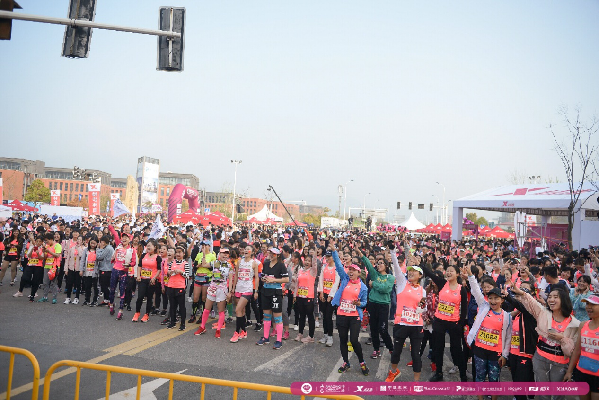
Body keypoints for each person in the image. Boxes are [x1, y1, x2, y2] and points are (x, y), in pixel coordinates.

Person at [510, 282, 580, 400]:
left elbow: (574, 350)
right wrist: (521, 292)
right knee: (542, 393)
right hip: (540, 359)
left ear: (564, 300)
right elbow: (532, 303)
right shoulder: (543, 313)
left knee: (558, 395)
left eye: (555, 297)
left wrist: (562, 339)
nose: (551, 299)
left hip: (560, 364)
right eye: (550, 297)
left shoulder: (574, 324)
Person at [464, 266, 511, 400]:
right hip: (480, 350)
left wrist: (505, 355)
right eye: (490, 298)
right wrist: (470, 275)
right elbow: (476, 290)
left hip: (495, 354)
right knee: (479, 377)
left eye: (496, 298)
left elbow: (508, 338)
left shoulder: (507, 316)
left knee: (494, 380)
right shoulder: (484, 306)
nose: (493, 301)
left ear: (502, 300)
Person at [422, 258, 468, 382]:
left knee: (457, 349)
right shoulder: (442, 283)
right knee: (438, 348)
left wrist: (460, 324)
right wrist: (420, 263)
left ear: (457, 274)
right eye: (447, 271)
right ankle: (439, 373)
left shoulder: (461, 289)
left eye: (451, 271)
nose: (448, 272)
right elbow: (430, 273)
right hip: (439, 321)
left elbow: (464, 308)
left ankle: (463, 375)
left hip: (454, 323)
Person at [386, 243, 426, 382]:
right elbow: (397, 268)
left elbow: (425, 307)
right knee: (396, 351)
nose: (410, 272)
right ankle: (393, 372)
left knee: (415, 354)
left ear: (420, 275)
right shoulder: (402, 283)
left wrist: (422, 308)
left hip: (416, 326)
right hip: (401, 324)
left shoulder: (422, 291)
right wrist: (393, 251)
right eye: (409, 271)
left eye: (414, 271)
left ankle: (416, 383)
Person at [330, 241, 369, 376]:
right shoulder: (345, 279)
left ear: (359, 273)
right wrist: (334, 251)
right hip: (341, 314)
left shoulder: (363, 287)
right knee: (342, 339)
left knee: (353, 340)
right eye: (350, 270)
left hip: (354, 317)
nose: (351, 272)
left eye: (353, 270)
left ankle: (362, 362)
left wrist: (359, 304)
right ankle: (346, 362)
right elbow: (338, 265)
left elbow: (364, 303)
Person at [359, 246, 395, 359]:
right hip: (372, 304)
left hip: (383, 306)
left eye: (381, 263)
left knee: (383, 329)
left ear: (386, 266)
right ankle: (376, 350)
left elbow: (386, 289)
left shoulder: (390, 277)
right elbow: (368, 265)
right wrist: (361, 253)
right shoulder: (375, 275)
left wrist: (373, 284)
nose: (378, 265)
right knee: (373, 328)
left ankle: (391, 349)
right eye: (377, 263)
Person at [564, 294, 599, 400]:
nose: (588, 307)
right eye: (587, 304)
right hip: (582, 372)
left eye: (593, 304)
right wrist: (569, 371)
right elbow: (577, 350)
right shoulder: (583, 325)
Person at [194, 248, 233, 338]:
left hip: (222, 289)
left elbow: (230, 279)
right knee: (206, 309)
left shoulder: (229, 266)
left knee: (221, 311)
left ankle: (218, 330)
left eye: (226, 253)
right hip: (212, 287)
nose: (225, 255)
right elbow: (204, 264)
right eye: (223, 253)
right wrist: (204, 254)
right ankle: (202, 327)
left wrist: (230, 292)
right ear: (219, 254)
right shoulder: (214, 263)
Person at [255, 247, 289, 350]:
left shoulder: (281, 265)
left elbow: (286, 279)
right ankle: (265, 337)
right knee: (266, 315)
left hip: (276, 292)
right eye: (270, 253)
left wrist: (274, 280)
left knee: (277, 317)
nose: (270, 255)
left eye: (273, 253)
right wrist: (264, 279)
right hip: (265, 291)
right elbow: (262, 276)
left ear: (278, 255)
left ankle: (279, 340)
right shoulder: (266, 264)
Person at [230, 243, 260, 343]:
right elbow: (236, 276)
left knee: (237, 310)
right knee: (241, 311)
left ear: (252, 252)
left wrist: (256, 291)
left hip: (248, 289)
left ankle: (236, 332)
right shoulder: (239, 262)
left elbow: (256, 278)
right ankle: (243, 331)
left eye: (248, 249)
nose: (246, 250)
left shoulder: (254, 263)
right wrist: (233, 288)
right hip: (238, 288)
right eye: (245, 249)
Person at [109, 233, 137, 320]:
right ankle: (111, 304)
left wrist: (129, 265)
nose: (124, 239)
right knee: (112, 289)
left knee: (122, 291)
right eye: (123, 237)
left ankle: (120, 310)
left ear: (130, 240)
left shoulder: (132, 250)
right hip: (115, 270)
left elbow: (134, 262)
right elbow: (115, 235)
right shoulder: (118, 246)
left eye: (126, 238)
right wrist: (110, 227)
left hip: (124, 272)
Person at [133, 239, 162, 323]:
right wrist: (138, 276)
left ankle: (146, 314)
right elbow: (139, 266)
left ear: (155, 247)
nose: (148, 247)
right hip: (142, 279)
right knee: (140, 297)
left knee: (149, 298)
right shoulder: (143, 255)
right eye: (147, 246)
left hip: (151, 280)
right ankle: (137, 313)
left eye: (150, 246)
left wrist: (154, 278)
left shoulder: (158, 257)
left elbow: (159, 269)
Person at [292, 252, 318, 343]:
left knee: (310, 316)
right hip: (300, 296)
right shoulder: (300, 270)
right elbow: (297, 284)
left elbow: (315, 263)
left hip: (309, 297)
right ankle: (300, 333)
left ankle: (311, 336)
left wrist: (314, 254)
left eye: (309, 261)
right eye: (306, 260)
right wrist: (295, 295)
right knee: (301, 316)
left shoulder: (313, 271)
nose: (307, 262)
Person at [317, 249, 340, 347]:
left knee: (328, 316)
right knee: (324, 315)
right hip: (324, 294)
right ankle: (325, 335)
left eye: (329, 257)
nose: (327, 258)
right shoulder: (324, 267)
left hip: (332, 296)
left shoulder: (337, 268)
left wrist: (331, 295)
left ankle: (330, 336)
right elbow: (321, 280)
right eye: (326, 257)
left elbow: (336, 282)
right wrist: (321, 292)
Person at [190, 240, 216, 323]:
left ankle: (202, 316)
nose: (203, 247)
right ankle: (193, 315)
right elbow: (195, 265)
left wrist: (204, 261)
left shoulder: (212, 256)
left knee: (204, 298)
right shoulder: (199, 254)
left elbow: (212, 268)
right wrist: (198, 265)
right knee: (195, 297)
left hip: (206, 278)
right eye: (202, 245)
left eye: (205, 245)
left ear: (209, 246)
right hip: (198, 277)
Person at [165, 244, 188, 330]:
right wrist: (169, 272)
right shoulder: (172, 263)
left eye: (180, 252)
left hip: (180, 287)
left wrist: (181, 272)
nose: (178, 254)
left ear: (184, 254)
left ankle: (183, 324)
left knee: (181, 306)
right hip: (171, 286)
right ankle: (172, 322)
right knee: (172, 306)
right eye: (177, 252)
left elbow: (187, 276)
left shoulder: (185, 264)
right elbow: (168, 273)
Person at [38, 232, 61, 304]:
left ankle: (54, 298)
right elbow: (45, 257)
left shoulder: (57, 245)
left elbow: (57, 255)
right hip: (47, 266)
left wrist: (49, 251)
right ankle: (45, 297)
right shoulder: (47, 246)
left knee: (53, 283)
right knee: (45, 282)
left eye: (47, 240)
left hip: (54, 267)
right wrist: (44, 252)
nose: (46, 242)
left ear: (51, 239)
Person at [79, 236, 99, 306]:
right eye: (91, 243)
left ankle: (95, 300)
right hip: (87, 271)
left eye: (94, 243)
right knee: (87, 286)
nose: (92, 245)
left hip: (95, 272)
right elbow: (82, 260)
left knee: (95, 287)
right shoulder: (86, 250)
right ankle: (87, 299)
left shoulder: (98, 251)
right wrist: (81, 270)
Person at [96, 236, 114, 307]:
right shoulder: (108, 248)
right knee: (104, 285)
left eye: (101, 242)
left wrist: (99, 249)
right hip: (106, 268)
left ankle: (110, 300)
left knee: (104, 286)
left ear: (103, 242)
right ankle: (106, 300)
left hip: (106, 269)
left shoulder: (108, 248)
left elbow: (99, 257)